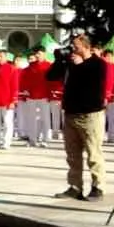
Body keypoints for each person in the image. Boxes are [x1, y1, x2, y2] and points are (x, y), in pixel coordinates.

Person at [47, 35, 108, 202]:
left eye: (77, 47)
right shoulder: (70, 63)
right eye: (72, 47)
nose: (74, 50)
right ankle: (75, 186)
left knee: (93, 153)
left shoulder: (98, 64)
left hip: (90, 114)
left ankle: (98, 187)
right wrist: (59, 60)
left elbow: (93, 84)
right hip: (71, 113)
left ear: (87, 47)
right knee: (72, 154)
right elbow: (50, 76)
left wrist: (80, 66)